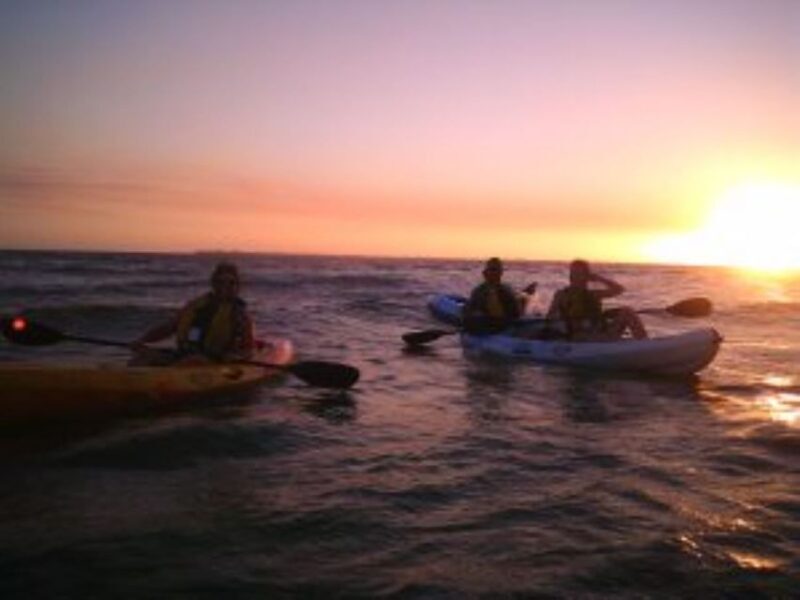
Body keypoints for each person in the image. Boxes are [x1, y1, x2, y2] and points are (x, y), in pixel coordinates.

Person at [130, 261, 254, 365]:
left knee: (193, 361)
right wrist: (142, 340)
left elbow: (248, 349)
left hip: (215, 360)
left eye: (231, 282)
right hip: (185, 353)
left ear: (237, 286)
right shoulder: (196, 305)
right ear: (213, 283)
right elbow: (168, 328)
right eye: (220, 282)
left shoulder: (240, 314)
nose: (224, 286)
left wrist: (237, 357)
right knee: (139, 359)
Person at [546, 259, 647, 341]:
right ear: (571, 276)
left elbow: (619, 289)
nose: (577, 277)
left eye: (582, 274)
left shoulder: (593, 294)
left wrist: (599, 278)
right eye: (575, 273)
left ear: (587, 277)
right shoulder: (561, 295)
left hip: (601, 334)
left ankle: (644, 344)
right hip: (580, 338)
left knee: (627, 311)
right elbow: (549, 318)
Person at [462, 257, 538, 329]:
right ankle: (525, 293)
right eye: (491, 270)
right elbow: (467, 311)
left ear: (501, 273)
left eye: (496, 270)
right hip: (492, 321)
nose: (494, 273)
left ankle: (526, 293)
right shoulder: (478, 291)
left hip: (508, 317)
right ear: (485, 273)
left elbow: (517, 315)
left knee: (521, 300)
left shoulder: (505, 291)